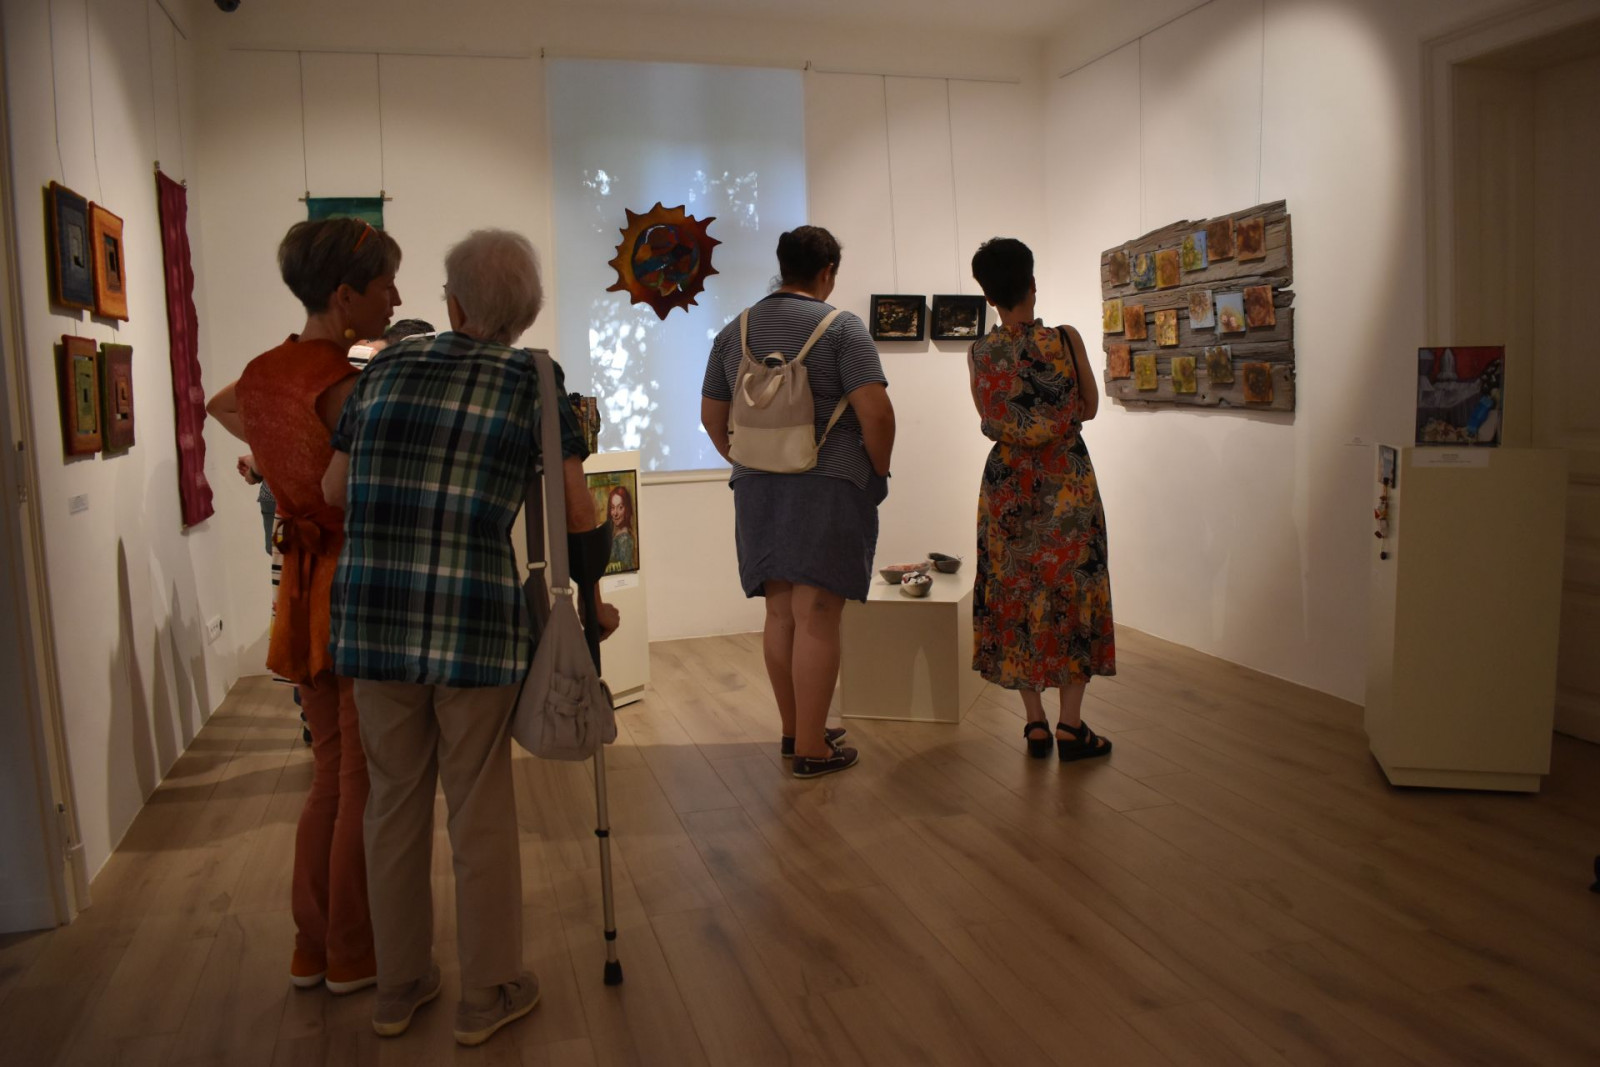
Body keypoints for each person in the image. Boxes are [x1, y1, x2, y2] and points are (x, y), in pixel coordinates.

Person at [323, 229, 618, 1048]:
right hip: (474, 621)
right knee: (479, 803)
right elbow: (577, 511)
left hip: (373, 617)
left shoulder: (382, 367)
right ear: (526, 311)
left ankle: (398, 985)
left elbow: (333, 487)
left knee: (392, 802)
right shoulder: (533, 379)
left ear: (452, 303)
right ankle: (486, 993)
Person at [210, 216, 404, 994]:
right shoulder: (347, 384)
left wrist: (272, 460)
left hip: (299, 580)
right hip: (351, 581)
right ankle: (353, 948)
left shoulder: (262, 374)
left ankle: (311, 944)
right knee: (360, 776)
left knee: (330, 770)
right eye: (385, 284)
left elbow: (225, 408)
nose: (396, 298)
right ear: (344, 296)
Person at [700, 225, 894, 779]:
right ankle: (813, 747)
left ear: (781, 266)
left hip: (757, 488)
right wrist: (876, 472)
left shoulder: (734, 331)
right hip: (826, 484)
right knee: (819, 613)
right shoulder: (841, 328)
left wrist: (749, 461)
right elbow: (877, 414)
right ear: (827, 272)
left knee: (780, 612)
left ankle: (795, 731)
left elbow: (712, 418)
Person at [966, 237, 1115, 761]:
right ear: (1033, 283)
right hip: (1065, 479)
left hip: (1007, 482)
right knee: (1073, 589)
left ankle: (1034, 723)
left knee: (1013, 590)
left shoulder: (979, 352)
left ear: (988, 297)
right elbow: (1089, 406)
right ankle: (1071, 725)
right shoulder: (1065, 339)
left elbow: (988, 414)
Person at [606, 484, 636, 572]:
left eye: (620, 507)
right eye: (612, 508)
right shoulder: (616, 534)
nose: (615, 513)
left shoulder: (624, 539)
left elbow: (626, 569)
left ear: (627, 509)